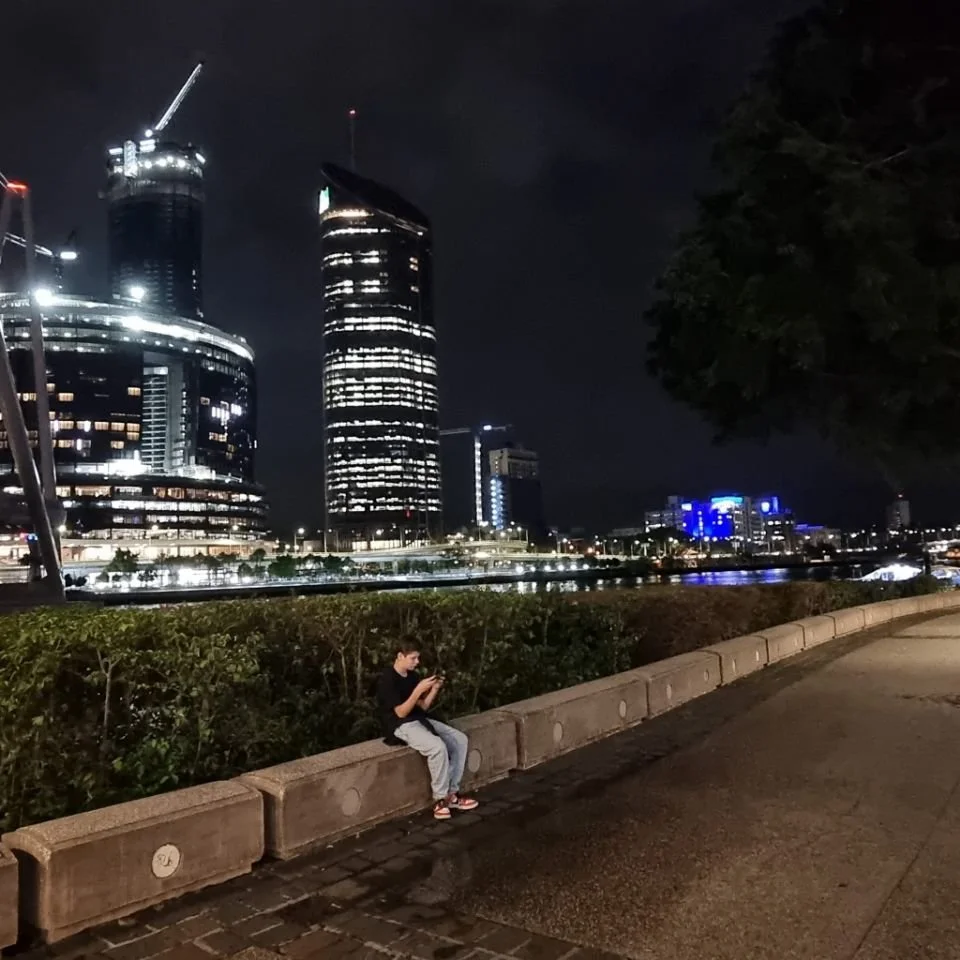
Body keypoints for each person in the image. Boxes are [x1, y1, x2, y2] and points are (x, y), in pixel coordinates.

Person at [377, 642, 480, 821]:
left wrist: (434, 689)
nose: (417, 662)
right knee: (437, 747)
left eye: (418, 658)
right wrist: (417, 690)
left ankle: (452, 794)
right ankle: (440, 799)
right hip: (400, 724)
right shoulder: (387, 679)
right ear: (400, 656)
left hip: (420, 719)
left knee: (460, 740)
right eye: (413, 658)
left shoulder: (412, 676)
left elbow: (423, 706)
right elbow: (400, 712)